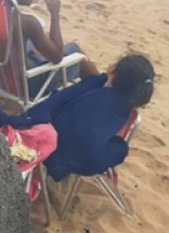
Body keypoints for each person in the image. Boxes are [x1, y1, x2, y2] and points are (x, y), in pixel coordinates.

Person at [16, 54, 154, 182]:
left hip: (38, 140)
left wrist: (27, 119)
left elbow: (59, 99)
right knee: (120, 150)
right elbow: (88, 149)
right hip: (57, 163)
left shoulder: (93, 84)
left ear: (113, 69)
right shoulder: (122, 110)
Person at [0, 0, 99, 97]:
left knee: (30, 43)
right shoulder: (27, 22)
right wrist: (55, 14)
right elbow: (57, 57)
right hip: (27, 86)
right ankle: (104, 92)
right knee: (75, 52)